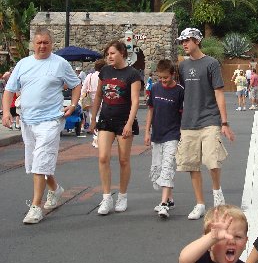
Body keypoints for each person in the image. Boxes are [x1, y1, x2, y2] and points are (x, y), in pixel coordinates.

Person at [2, 28, 81, 224]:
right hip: (28, 120)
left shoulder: (60, 64)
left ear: (51, 44)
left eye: (46, 42)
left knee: (40, 160)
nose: (42, 46)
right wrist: (5, 112)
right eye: (39, 43)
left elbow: (76, 84)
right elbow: (9, 90)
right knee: (34, 163)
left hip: (51, 120)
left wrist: (72, 105)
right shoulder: (23, 64)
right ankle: (54, 189)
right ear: (33, 44)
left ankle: (35, 207)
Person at [177, 28, 235, 220]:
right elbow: (181, 93)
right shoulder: (183, 66)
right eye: (182, 41)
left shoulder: (211, 63)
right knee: (192, 164)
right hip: (188, 122)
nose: (184, 44)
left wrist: (224, 122)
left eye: (187, 40)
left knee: (212, 160)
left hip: (209, 119)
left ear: (197, 41)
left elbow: (219, 92)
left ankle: (217, 195)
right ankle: (200, 203)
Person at [88, 40, 142, 215]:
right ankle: (106, 197)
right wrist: (93, 118)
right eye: (107, 54)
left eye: (112, 53)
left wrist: (129, 124)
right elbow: (98, 97)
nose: (109, 57)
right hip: (106, 119)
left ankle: (123, 195)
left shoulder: (132, 74)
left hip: (123, 121)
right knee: (103, 157)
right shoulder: (105, 71)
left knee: (123, 160)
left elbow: (135, 102)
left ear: (122, 53)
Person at [144, 59, 184, 219]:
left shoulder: (180, 90)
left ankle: (164, 204)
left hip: (173, 134)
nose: (163, 81)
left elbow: (183, 114)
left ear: (172, 74)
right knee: (158, 168)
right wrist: (147, 131)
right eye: (160, 78)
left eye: (166, 78)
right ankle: (170, 198)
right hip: (157, 134)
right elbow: (150, 110)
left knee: (168, 167)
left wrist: (183, 134)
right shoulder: (155, 88)